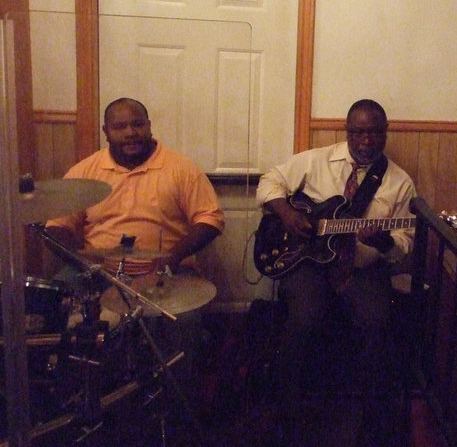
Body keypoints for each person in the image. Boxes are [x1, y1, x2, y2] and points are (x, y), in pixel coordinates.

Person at [44, 97, 225, 429]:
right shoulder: (86, 171)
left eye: (137, 124)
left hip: (167, 270)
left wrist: (172, 258)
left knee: (183, 322)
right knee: (53, 302)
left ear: (149, 125)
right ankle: (76, 403)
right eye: (120, 126)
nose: (130, 133)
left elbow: (210, 219)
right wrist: (83, 260)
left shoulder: (179, 168)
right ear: (106, 131)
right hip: (97, 269)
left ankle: (176, 412)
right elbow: (57, 227)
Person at [256, 98, 416, 447]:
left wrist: (385, 239)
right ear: (347, 132)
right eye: (358, 132)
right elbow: (269, 181)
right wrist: (286, 213)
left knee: (376, 323)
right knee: (303, 319)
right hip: (309, 263)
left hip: (362, 267)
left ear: (385, 133)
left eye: (374, 133)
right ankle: (287, 412)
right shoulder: (316, 160)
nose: (366, 141)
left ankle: (372, 419)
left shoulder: (399, 182)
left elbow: (405, 243)